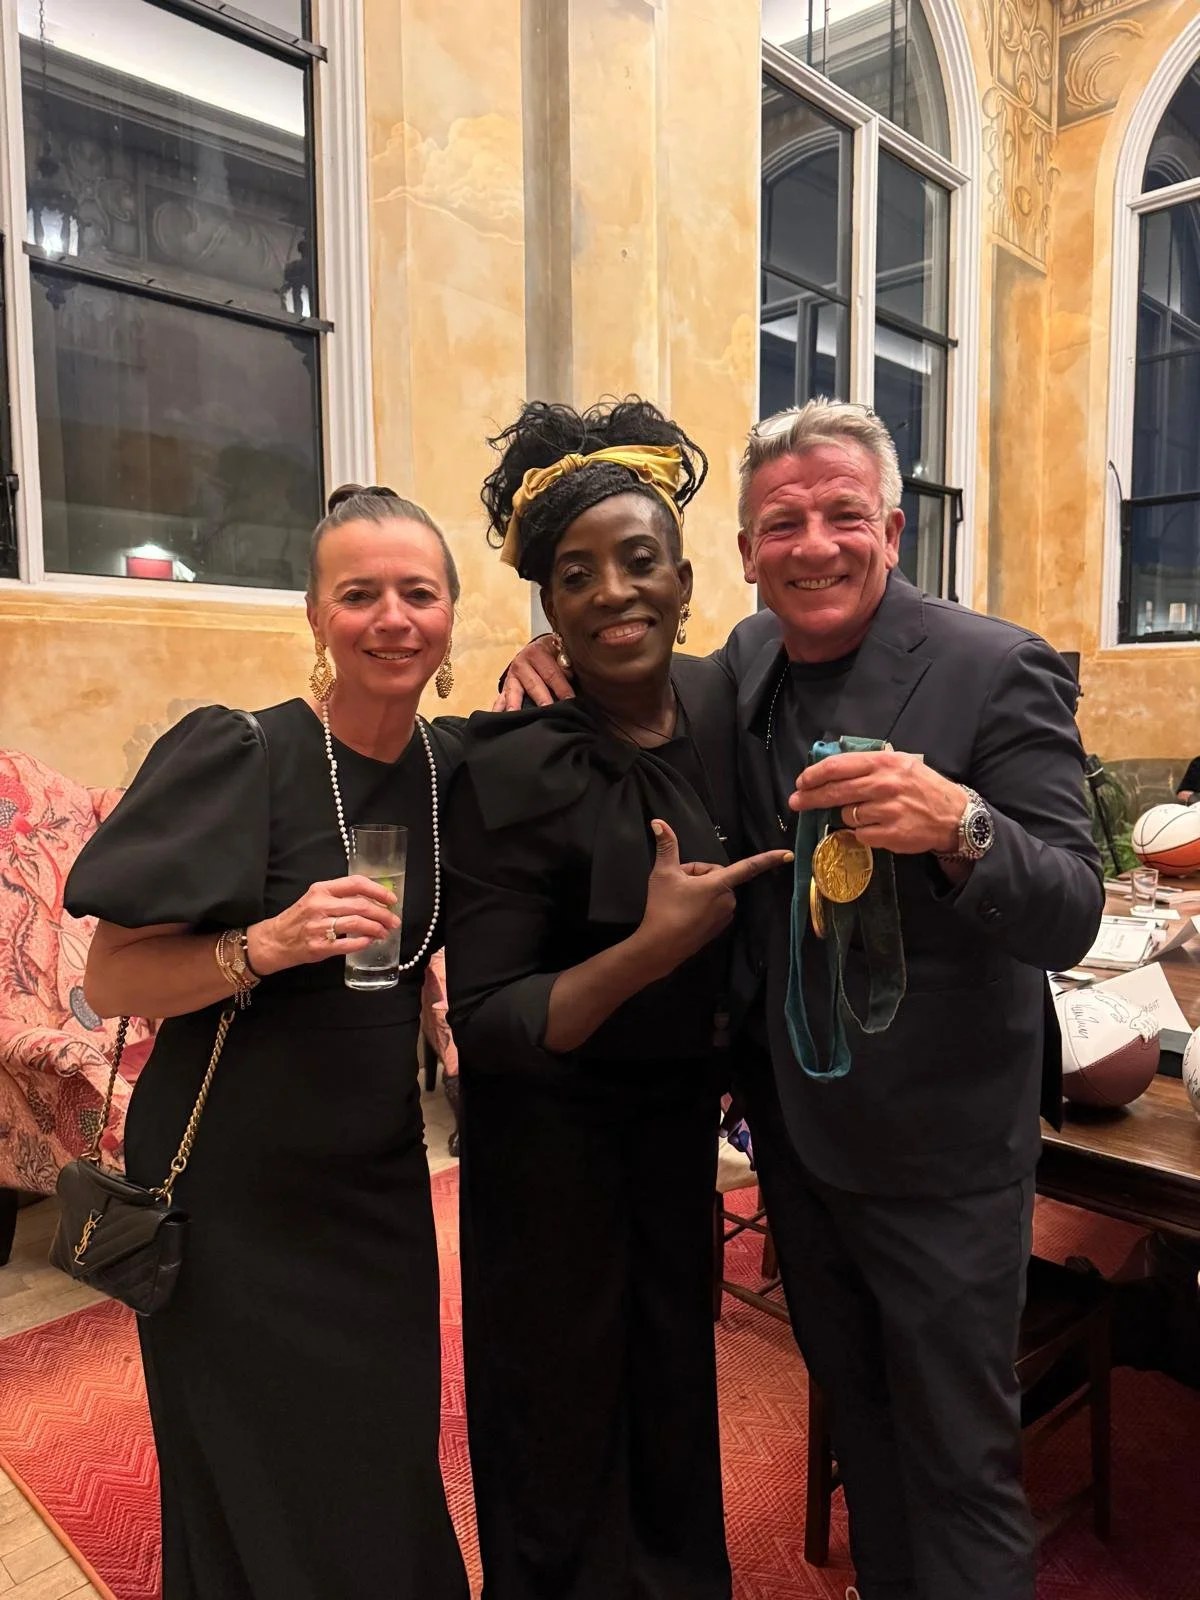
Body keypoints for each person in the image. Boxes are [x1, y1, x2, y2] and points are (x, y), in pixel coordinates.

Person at [499, 398, 1105, 1600]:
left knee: (962, 1460)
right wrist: (554, 665)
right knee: (865, 1430)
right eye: (783, 522)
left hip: (943, 1158)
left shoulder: (996, 666)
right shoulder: (750, 656)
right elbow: (647, 680)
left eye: (842, 516)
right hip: (799, 1138)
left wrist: (963, 825)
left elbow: (1073, 904)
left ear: (890, 526)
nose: (813, 544)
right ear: (743, 552)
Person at [64, 486, 470, 1600]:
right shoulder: (243, 753)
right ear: (315, 616)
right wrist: (259, 946)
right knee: (256, 1466)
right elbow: (109, 976)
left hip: (376, 1183)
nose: (391, 617)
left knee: (380, 1457)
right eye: (359, 594)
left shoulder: (449, 769)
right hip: (229, 1189)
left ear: (450, 618)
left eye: (417, 593)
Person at [442, 397, 792, 1600]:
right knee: (560, 1423)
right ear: (547, 610)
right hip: (546, 1153)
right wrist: (647, 950)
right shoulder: (506, 760)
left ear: (686, 580)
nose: (611, 593)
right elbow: (485, 1023)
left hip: (670, 1131)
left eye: (637, 561)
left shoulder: (723, 705)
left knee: (669, 1395)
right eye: (575, 577)